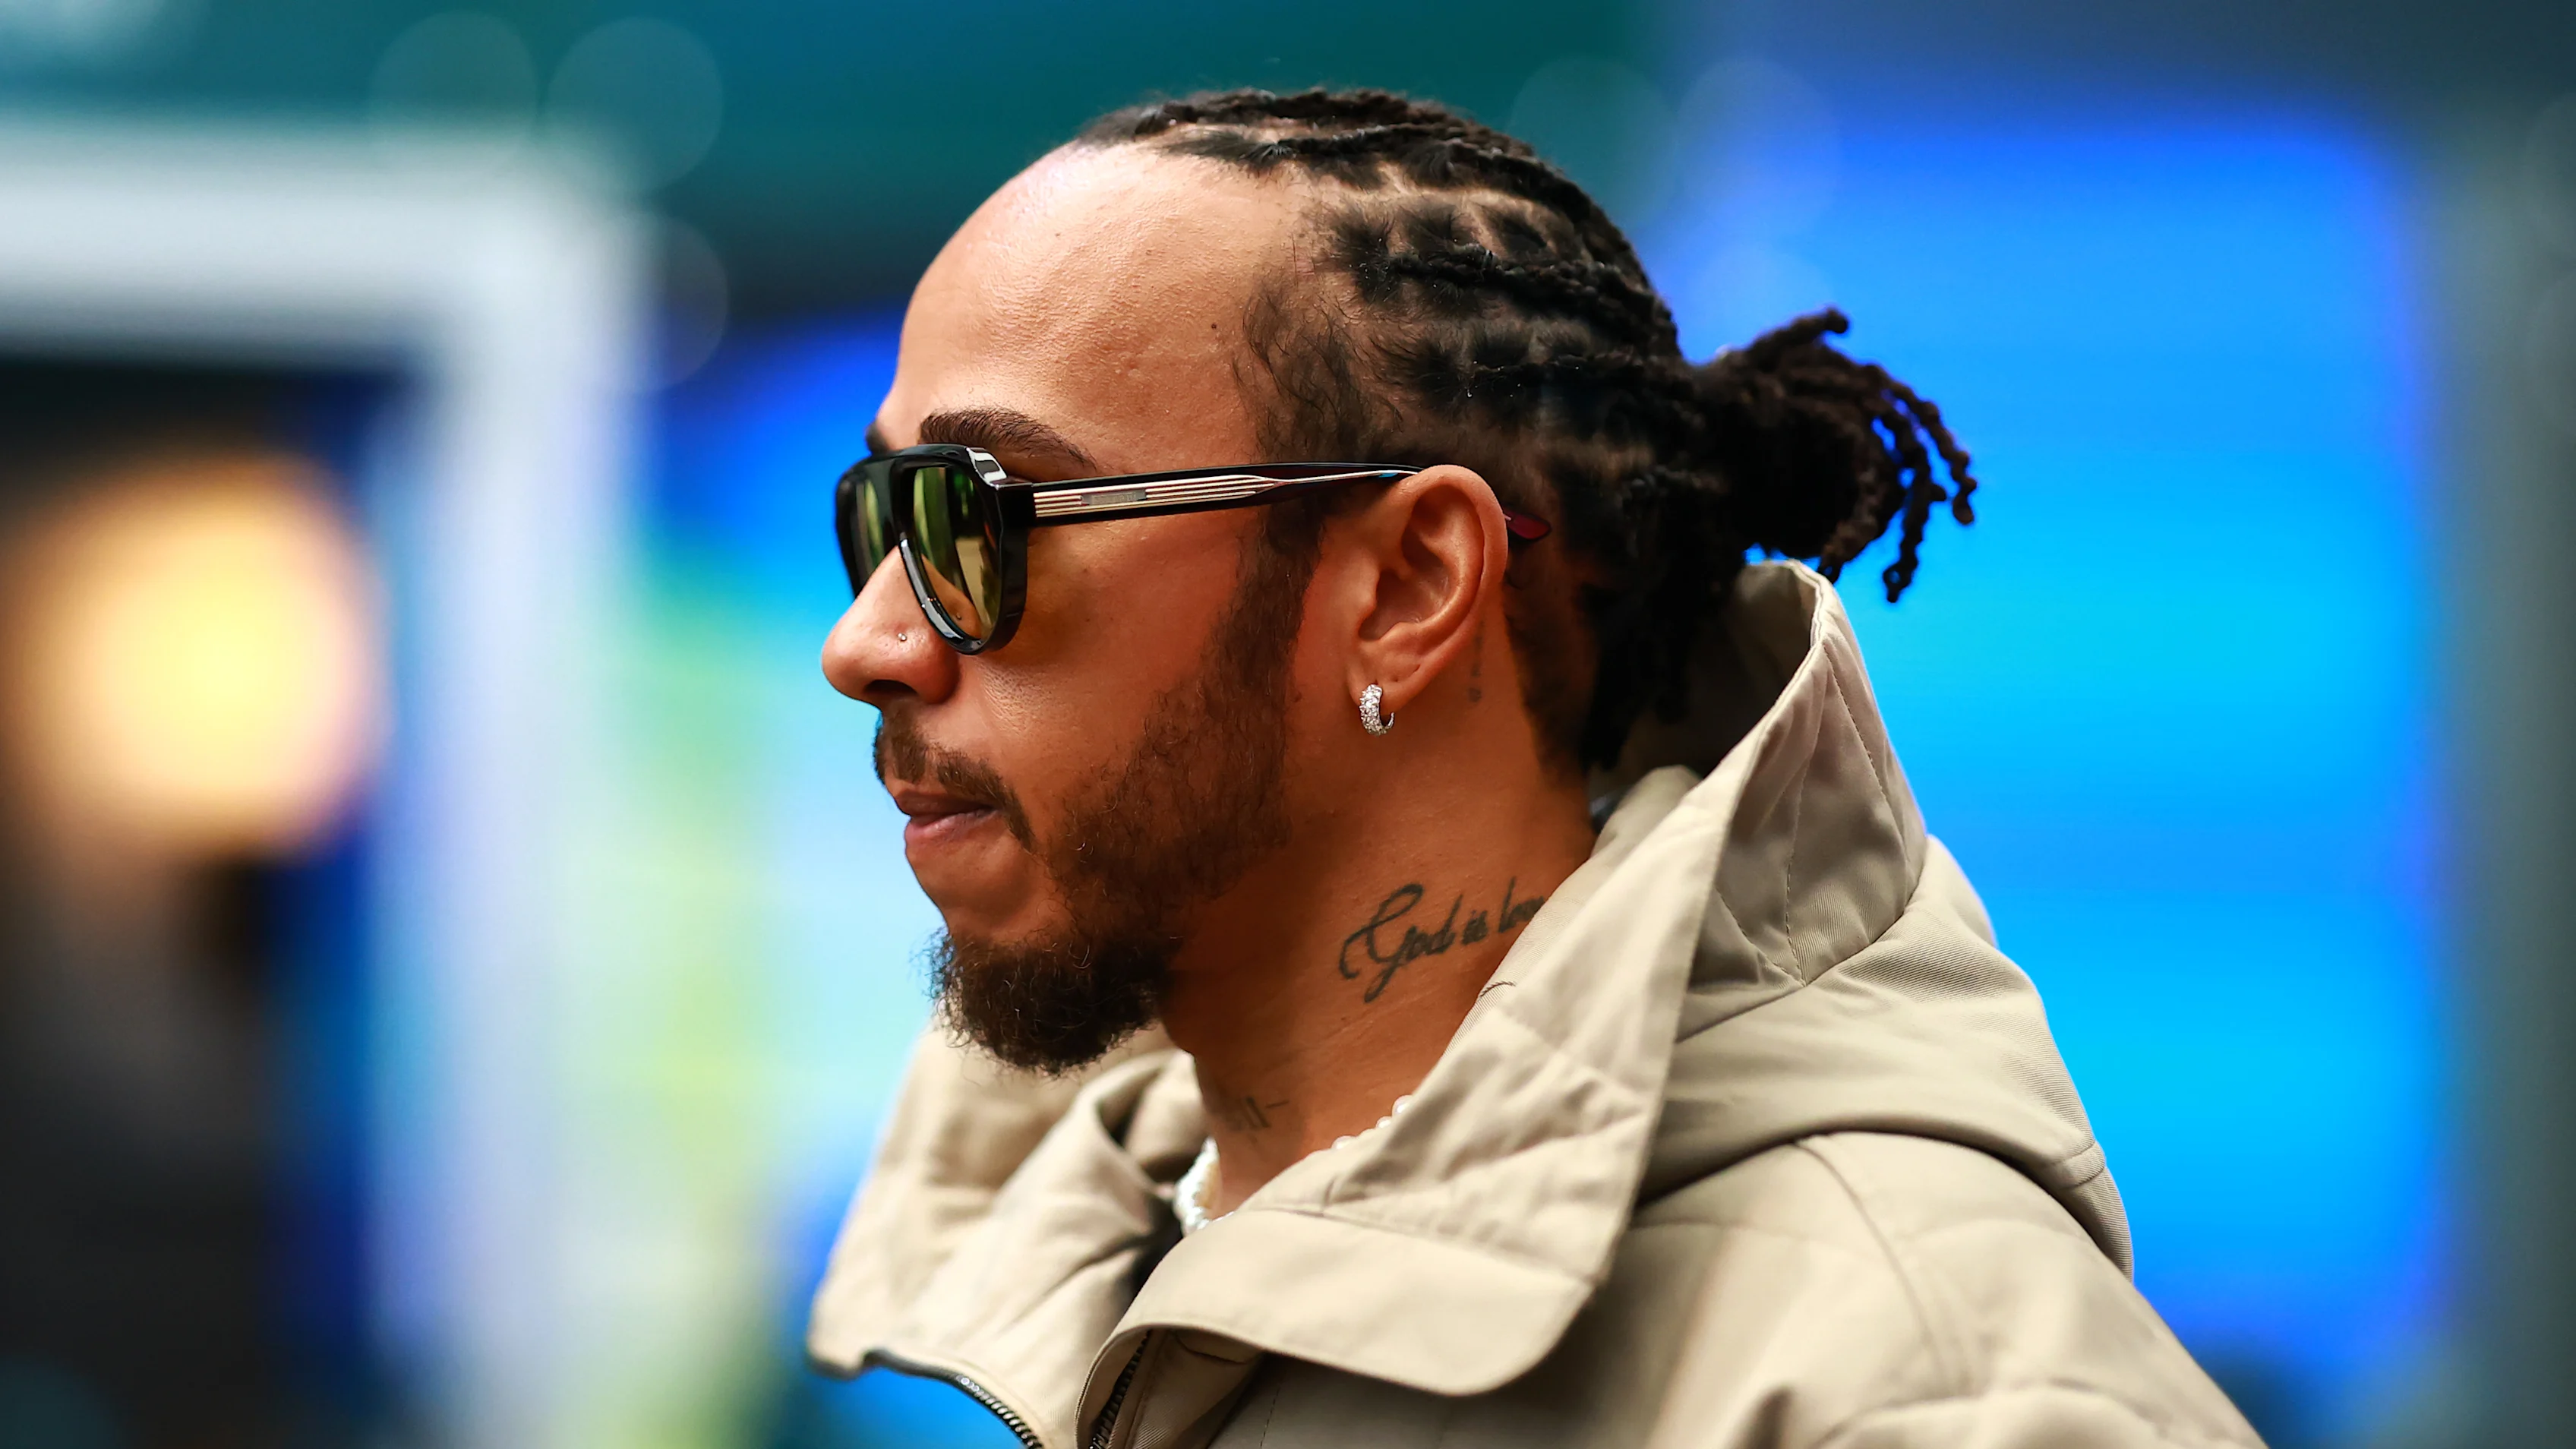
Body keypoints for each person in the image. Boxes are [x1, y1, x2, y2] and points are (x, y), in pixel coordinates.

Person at [808, 87, 2259, 1449]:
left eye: (975, 517)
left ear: (1409, 588)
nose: (865, 643)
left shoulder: (1918, 1387)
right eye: (881, 517)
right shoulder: (1122, 1256)